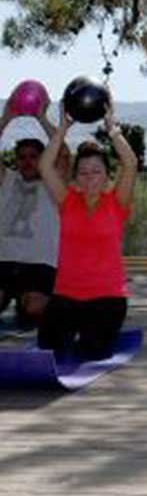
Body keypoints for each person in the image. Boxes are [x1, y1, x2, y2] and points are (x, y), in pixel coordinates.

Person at [37, 99, 136, 360]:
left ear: (106, 176)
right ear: (75, 179)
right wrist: (61, 130)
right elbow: (45, 167)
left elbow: (130, 163)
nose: (90, 177)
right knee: (48, 350)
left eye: (96, 172)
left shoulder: (117, 203)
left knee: (91, 353)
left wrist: (112, 129)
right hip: (66, 296)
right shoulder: (66, 201)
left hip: (107, 298)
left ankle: (94, 337)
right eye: (83, 173)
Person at [0, 101, 70, 328]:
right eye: (22, 157)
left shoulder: (53, 185)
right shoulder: (8, 180)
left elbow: (63, 154)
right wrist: (6, 118)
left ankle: (38, 301)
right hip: (4, 262)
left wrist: (41, 117)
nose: (27, 161)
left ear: (43, 159)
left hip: (39, 266)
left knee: (32, 309)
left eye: (33, 156)